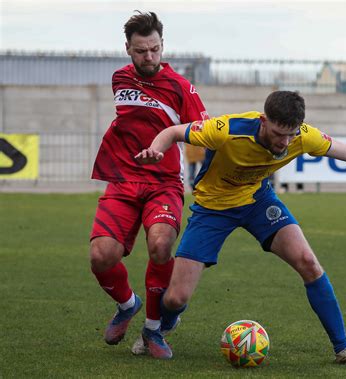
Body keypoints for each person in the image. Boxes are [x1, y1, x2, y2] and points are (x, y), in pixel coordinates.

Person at [135, 91, 346, 364]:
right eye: (280, 134)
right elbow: (173, 131)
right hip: (212, 209)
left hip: (257, 200)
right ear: (265, 121)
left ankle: (343, 348)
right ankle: (160, 328)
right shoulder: (227, 129)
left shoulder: (302, 136)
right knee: (176, 298)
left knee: (308, 262)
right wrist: (156, 149)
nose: (285, 142)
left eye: (291, 134)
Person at [89, 11, 208, 358]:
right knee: (101, 256)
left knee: (160, 244)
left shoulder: (181, 87)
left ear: (162, 46)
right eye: (141, 51)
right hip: (123, 181)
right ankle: (127, 305)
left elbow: (205, 131)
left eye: (155, 49)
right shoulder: (119, 79)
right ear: (128, 49)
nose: (149, 57)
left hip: (164, 184)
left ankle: (154, 329)